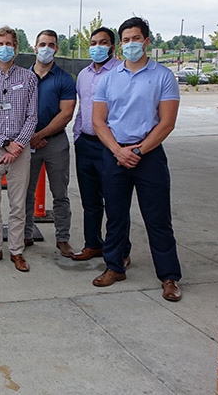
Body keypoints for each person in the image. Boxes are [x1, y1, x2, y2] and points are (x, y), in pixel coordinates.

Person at [92, 17, 183, 302]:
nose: (131, 44)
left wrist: (139, 151)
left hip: (149, 155)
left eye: (136, 38)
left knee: (158, 219)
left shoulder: (163, 76)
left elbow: (167, 122)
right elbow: (98, 121)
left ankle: (169, 277)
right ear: (121, 44)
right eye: (126, 39)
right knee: (116, 216)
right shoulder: (108, 78)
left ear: (147, 41)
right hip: (114, 154)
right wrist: (118, 151)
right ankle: (115, 266)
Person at [0, 26, 38, 271]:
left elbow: (32, 117)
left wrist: (17, 145)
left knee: (17, 203)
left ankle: (17, 251)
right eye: (0, 44)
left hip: (20, 149)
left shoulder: (28, 78)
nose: (5, 48)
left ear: (16, 47)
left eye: (9, 44)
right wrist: (4, 143)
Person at [72, 27, 132, 266]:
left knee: (116, 203)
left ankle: (121, 251)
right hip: (85, 143)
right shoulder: (84, 74)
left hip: (111, 146)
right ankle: (93, 244)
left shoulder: (122, 71)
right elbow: (82, 107)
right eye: (94, 42)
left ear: (113, 46)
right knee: (90, 200)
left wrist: (117, 146)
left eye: (103, 43)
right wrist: (77, 135)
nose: (97, 47)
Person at [24, 29, 76, 258]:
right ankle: (25, 234)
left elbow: (66, 114)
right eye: (42, 44)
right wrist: (29, 136)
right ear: (34, 48)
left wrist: (41, 134)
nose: (46, 48)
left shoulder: (64, 79)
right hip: (27, 142)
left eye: (51, 44)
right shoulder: (23, 78)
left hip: (55, 142)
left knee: (60, 193)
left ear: (56, 49)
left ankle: (62, 238)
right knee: (25, 192)